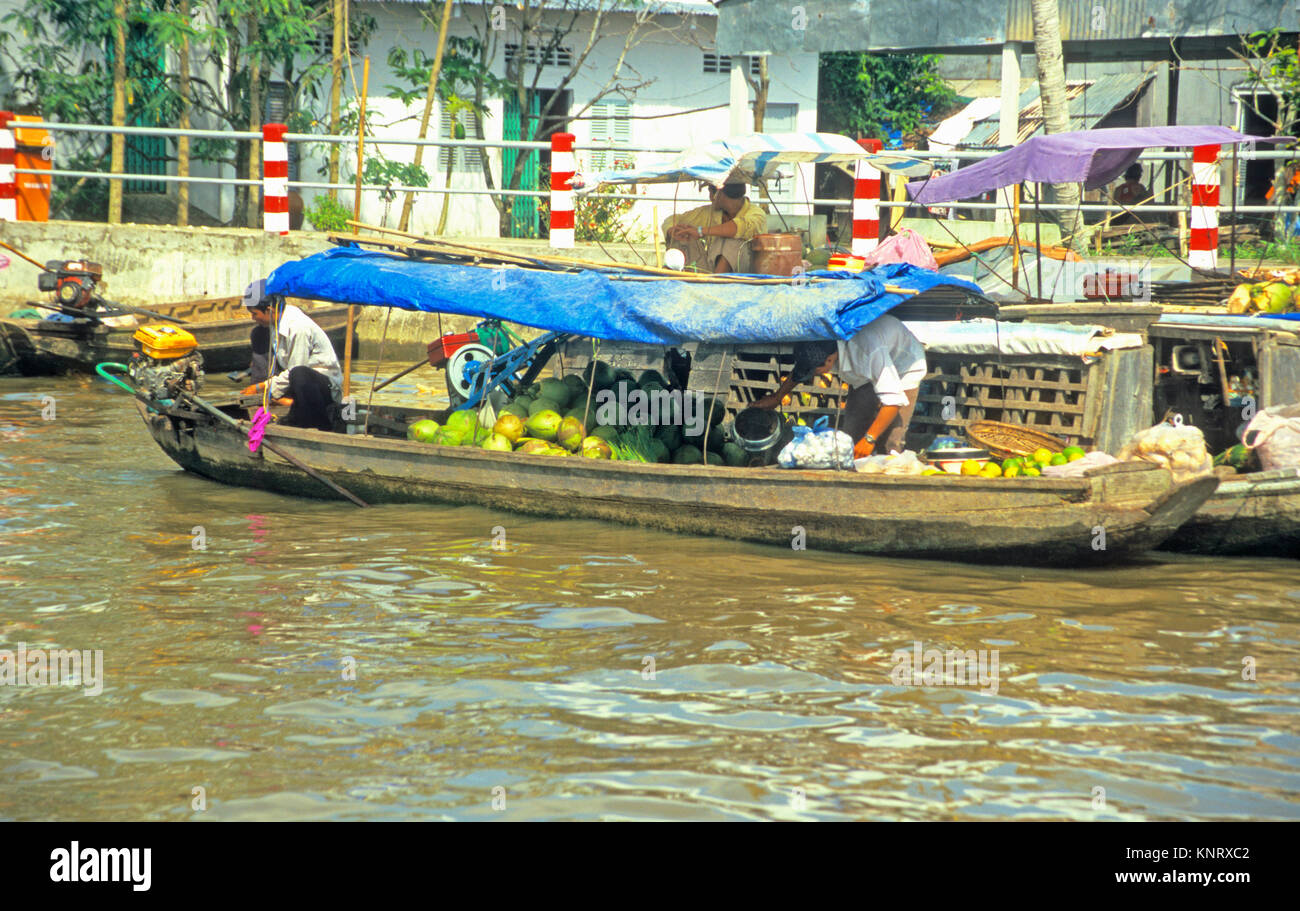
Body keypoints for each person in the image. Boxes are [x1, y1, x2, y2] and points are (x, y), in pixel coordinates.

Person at [753, 314, 927, 458]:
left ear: (830, 359)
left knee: (891, 445)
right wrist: (776, 397)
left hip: (904, 366)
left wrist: (869, 439)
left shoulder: (868, 352)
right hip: (866, 373)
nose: (814, 375)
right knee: (849, 439)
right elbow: (799, 373)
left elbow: (893, 402)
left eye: (816, 371)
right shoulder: (822, 344)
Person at [239, 279, 344, 432]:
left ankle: (320, 425)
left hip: (322, 389)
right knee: (259, 334)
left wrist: (260, 387)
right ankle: (284, 406)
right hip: (298, 384)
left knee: (299, 373)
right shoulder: (276, 321)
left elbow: (296, 370)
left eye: (254, 314)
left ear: (269, 310)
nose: (253, 318)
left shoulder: (297, 327)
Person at [661, 180, 768, 273]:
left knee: (732, 241)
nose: (710, 198)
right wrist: (672, 231)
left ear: (719, 194)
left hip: (746, 270)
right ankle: (680, 279)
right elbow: (672, 219)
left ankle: (715, 283)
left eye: (710, 192)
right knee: (682, 235)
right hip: (710, 267)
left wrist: (700, 231)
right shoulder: (708, 212)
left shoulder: (757, 214)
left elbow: (738, 227)